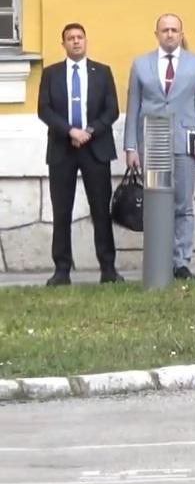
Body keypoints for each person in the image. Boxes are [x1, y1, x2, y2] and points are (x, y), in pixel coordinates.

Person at [124, 13, 195, 280]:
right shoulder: (141, 64)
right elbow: (133, 107)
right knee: (156, 205)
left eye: (174, 30)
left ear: (181, 33)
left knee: (183, 206)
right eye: (165, 30)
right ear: (157, 34)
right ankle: (159, 259)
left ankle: (181, 262)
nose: (170, 34)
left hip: (185, 144)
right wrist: (131, 147)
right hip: (153, 144)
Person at [37, 22, 121, 286]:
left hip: (95, 149)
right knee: (62, 211)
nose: (76, 41)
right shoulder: (51, 74)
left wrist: (89, 131)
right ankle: (62, 270)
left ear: (86, 41)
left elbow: (112, 110)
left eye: (80, 37)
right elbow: (44, 109)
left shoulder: (102, 72)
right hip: (62, 149)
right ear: (63, 43)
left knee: (101, 210)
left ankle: (108, 269)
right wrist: (70, 131)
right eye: (70, 38)